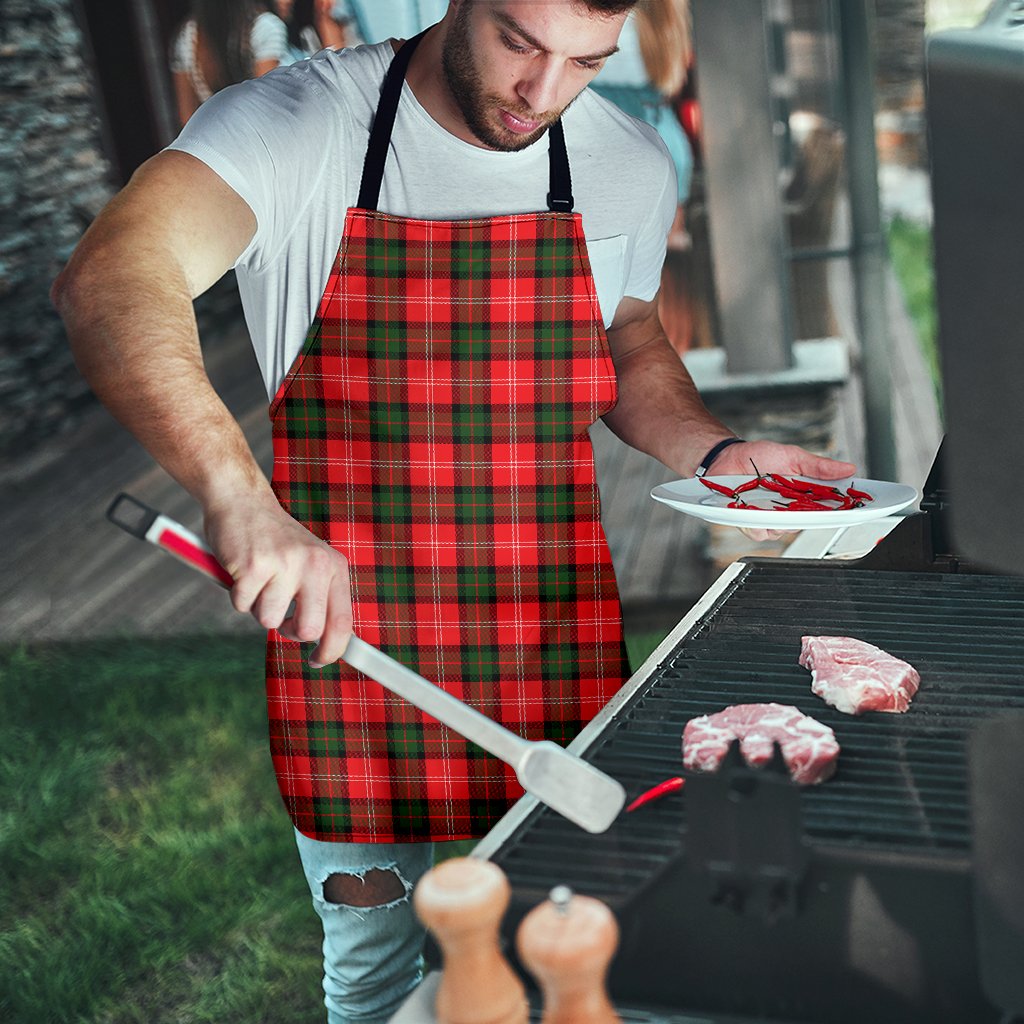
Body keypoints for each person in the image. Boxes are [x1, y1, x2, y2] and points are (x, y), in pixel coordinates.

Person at [53, 2, 855, 1020]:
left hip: (546, 632)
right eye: (521, 43)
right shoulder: (298, 125)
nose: (543, 93)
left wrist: (718, 450)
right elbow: (112, 275)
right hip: (349, 649)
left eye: (585, 62)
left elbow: (628, 336)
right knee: (379, 974)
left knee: (568, 949)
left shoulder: (625, 161)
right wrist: (238, 497)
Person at [170, 0, 289, 126]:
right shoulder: (265, 27)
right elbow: (267, 105)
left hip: (216, 138)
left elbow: (186, 118)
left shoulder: (187, 36)